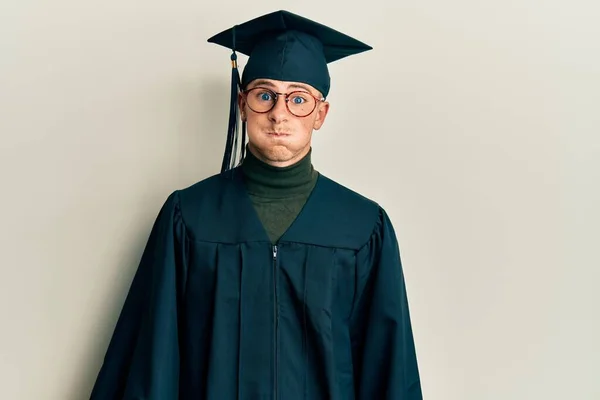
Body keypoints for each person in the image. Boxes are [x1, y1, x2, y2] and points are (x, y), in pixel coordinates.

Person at [90, 10, 422, 400]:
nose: (280, 113)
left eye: (298, 99)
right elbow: (154, 356)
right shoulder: (189, 216)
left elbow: (389, 368)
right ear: (243, 103)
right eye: (265, 95)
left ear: (321, 114)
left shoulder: (365, 227)